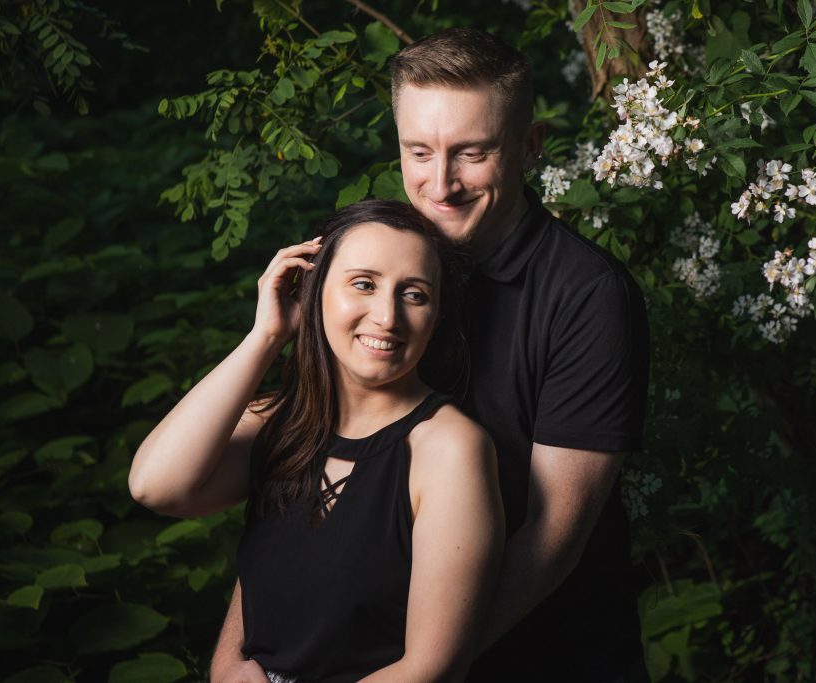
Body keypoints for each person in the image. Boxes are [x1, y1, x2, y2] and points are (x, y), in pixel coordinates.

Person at [212, 27, 651, 683]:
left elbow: (554, 535)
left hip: (540, 659)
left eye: (471, 153)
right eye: (420, 151)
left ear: (529, 148)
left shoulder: (588, 296)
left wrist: (413, 665)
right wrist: (236, 654)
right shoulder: (374, 271)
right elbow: (298, 469)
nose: (439, 184)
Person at [129, 200, 504, 682]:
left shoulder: (449, 449)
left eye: (414, 294)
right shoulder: (278, 421)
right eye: (363, 284)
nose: (387, 317)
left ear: (435, 317)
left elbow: (431, 667)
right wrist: (267, 335)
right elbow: (155, 486)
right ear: (313, 291)